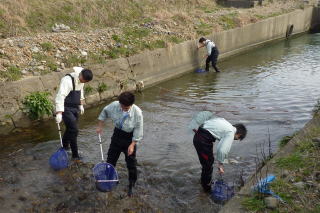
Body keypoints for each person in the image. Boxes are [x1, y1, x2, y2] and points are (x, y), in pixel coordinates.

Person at [96, 91, 143, 197]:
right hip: (117, 135)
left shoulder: (138, 113)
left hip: (129, 139)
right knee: (110, 159)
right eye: (122, 106)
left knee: (131, 163)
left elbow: (138, 130)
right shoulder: (114, 105)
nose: (123, 109)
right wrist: (100, 126)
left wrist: (132, 144)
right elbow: (104, 112)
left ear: (131, 105)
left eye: (126, 108)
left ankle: (132, 183)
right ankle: (109, 178)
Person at [189, 111, 247, 192]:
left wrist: (220, 162)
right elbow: (223, 150)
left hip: (199, 136)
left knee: (208, 162)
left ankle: (204, 182)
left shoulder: (225, 122)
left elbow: (220, 145)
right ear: (239, 134)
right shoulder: (231, 132)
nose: (235, 139)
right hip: (203, 140)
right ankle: (206, 189)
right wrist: (220, 165)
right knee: (208, 165)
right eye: (237, 139)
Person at [55, 67, 93, 161]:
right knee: (74, 130)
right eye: (82, 80)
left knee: (71, 129)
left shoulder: (82, 81)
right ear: (80, 75)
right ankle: (75, 155)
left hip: (75, 108)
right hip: (65, 108)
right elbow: (60, 96)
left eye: (85, 81)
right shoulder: (67, 80)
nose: (82, 82)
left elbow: (81, 92)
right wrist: (59, 112)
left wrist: (81, 105)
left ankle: (65, 146)